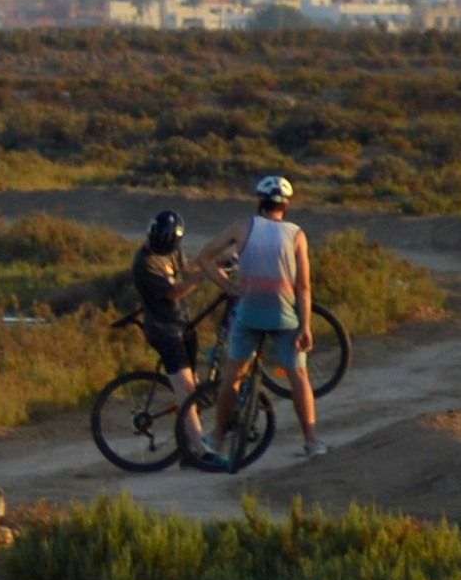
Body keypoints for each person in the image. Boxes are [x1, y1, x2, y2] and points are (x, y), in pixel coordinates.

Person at [222, 174, 321, 465]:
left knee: (233, 374)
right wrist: (305, 326)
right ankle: (311, 441)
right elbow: (303, 286)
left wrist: (227, 285)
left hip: (249, 312)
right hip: (284, 316)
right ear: (285, 205)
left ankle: (215, 436)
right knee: (298, 377)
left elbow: (207, 256)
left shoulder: (243, 227)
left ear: (260, 202)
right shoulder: (296, 234)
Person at [116, 208, 211, 424]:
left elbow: (186, 269)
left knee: (192, 387)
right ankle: (195, 447)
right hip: (164, 330)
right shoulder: (145, 262)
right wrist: (203, 276)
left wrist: (218, 260)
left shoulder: (172, 250)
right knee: (186, 391)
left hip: (184, 324)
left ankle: (191, 430)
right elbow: (173, 293)